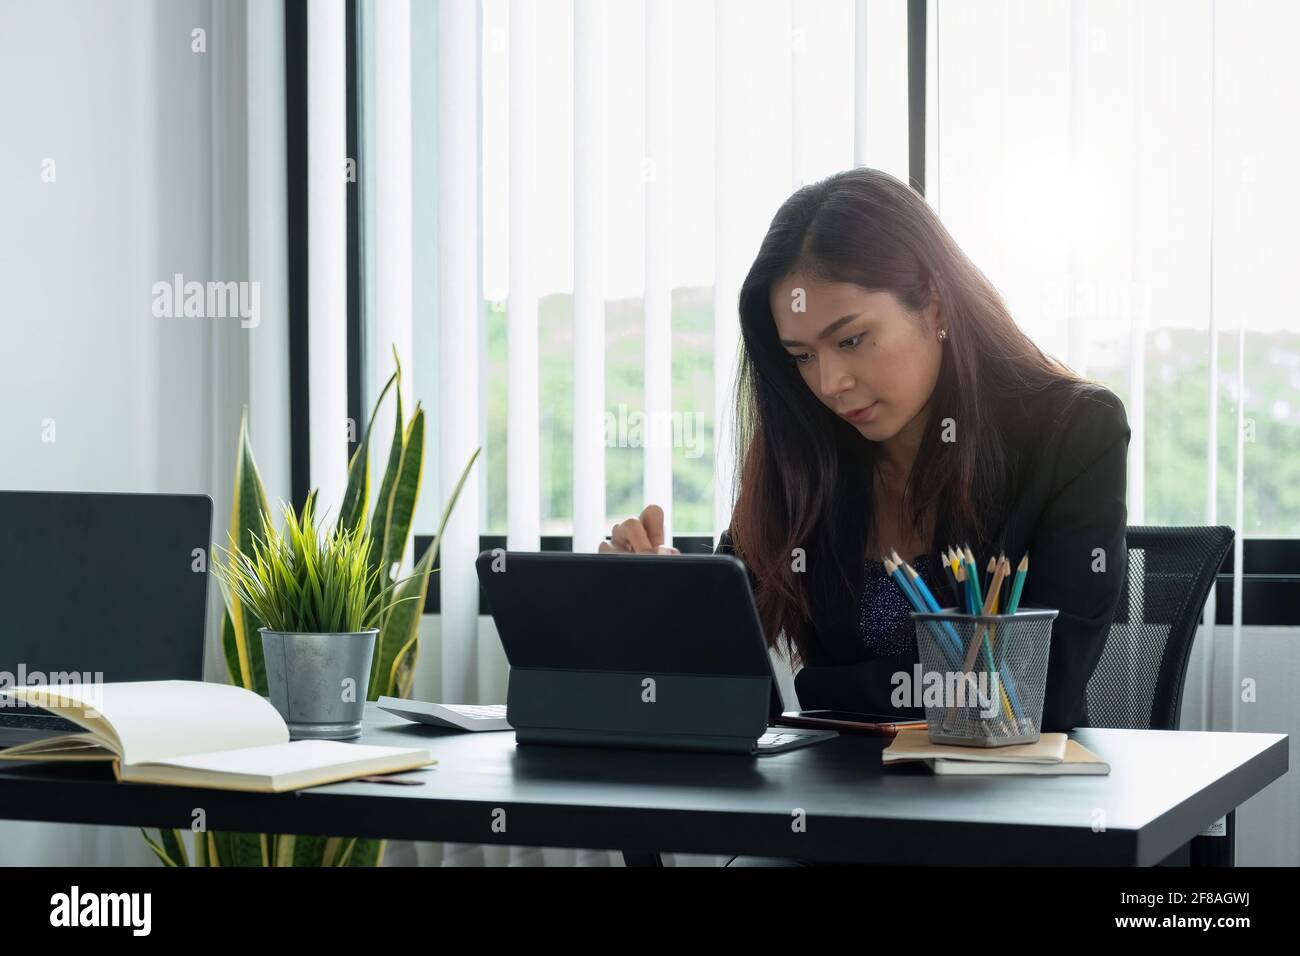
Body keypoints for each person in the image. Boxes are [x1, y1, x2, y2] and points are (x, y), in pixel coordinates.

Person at [599, 167, 1130, 864]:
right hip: (828, 830)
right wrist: (673, 608)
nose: (828, 384)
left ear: (934, 301)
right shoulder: (806, 452)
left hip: (1006, 828)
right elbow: (743, 694)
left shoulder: (1071, 431)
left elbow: (1042, 694)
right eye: (801, 357)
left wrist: (828, 699)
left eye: (851, 340)